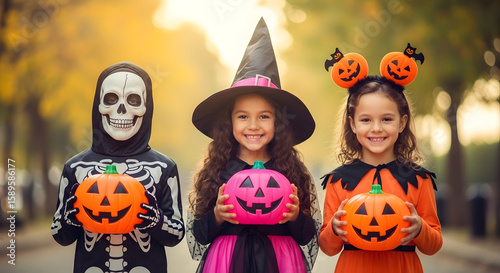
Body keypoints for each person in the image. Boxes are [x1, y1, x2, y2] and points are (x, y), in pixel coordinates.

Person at [186, 17, 322, 273]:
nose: (253, 125)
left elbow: (307, 236)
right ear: (229, 122)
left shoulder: (290, 169)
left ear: (278, 122)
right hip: (227, 258)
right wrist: (216, 215)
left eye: (264, 116)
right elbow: (199, 235)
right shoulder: (218, 169)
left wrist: (295, 217)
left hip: (281, 258)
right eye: (243, 116)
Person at [51, 61, 185, 273]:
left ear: (146, 107)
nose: (121, 109)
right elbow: (60, 234)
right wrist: (71, 218)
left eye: (133, 100)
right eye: (111, 99)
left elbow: (177, 233)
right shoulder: (75, 167)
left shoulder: (164, 167)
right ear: (98, 105)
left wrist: (155, 221)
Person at [319, 47, 442, 273]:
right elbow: (327, 248)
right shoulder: (339, 181)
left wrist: (420, 229)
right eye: (366, 120)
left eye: (386, 119)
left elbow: (434, 244)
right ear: (353, 124)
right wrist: (334, 230)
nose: (376, 128)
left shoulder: (417, 179)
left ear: (402, 123)